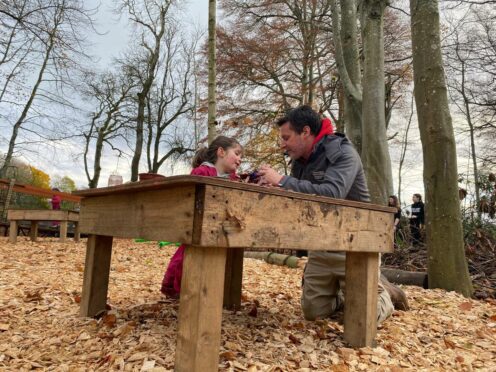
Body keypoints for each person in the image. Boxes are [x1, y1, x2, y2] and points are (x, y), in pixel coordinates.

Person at [257, 105, 408, 323]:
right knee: (313, 312)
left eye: (286, 137)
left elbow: (332, 194)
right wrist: (279, 190)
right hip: (321, 243)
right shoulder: (299, 162)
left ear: (306, 132)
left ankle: (386, 297)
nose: (283, 144)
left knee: (363, 317)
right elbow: (303, 195)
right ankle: (354, 292)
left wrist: (282, 180)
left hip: (353, 243)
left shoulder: (342, 153)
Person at [160, 136, 243, 298]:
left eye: (241, 157)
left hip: (222, 227)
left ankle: (214, 290)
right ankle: (180, 289)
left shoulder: (233, 178)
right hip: (200, 223)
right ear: (221, 152)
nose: (240, 159)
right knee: (186, 257)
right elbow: (191, 195)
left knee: (219, 260)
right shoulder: (203, 172)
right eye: (237, 153)